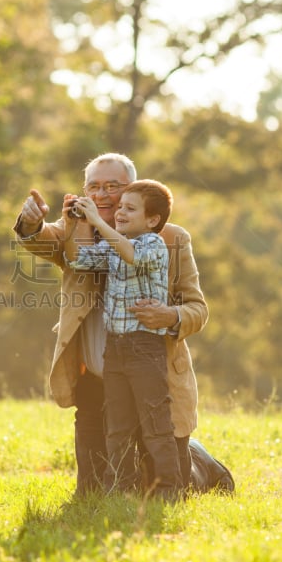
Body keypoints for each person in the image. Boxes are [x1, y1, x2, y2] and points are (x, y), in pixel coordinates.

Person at [13, 153, 234, 495]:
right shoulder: (76, 228)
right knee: (94, 490)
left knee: (167, 481)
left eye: (112, 187)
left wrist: (170, 315)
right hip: (96, 375)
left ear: (133, 190)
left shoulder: (169, 238)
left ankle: (200, 461)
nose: (102, 195)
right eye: (94, 187)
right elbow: (47, 241)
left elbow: (198, 308)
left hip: (151, 371)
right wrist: (31, 224)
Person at [66, 179, 183, 498]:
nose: (119, 212)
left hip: (145, 347)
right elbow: (80, 259)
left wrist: (99, 222)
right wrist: (79, 222)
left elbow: (130, 254)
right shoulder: (114, 245)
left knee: (155, 423)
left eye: (130, 208)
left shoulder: (151, 244)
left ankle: (169, 490)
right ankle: (119, 489)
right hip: (115, 348)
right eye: (120, 207)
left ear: (152, 220)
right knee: (116, 427)